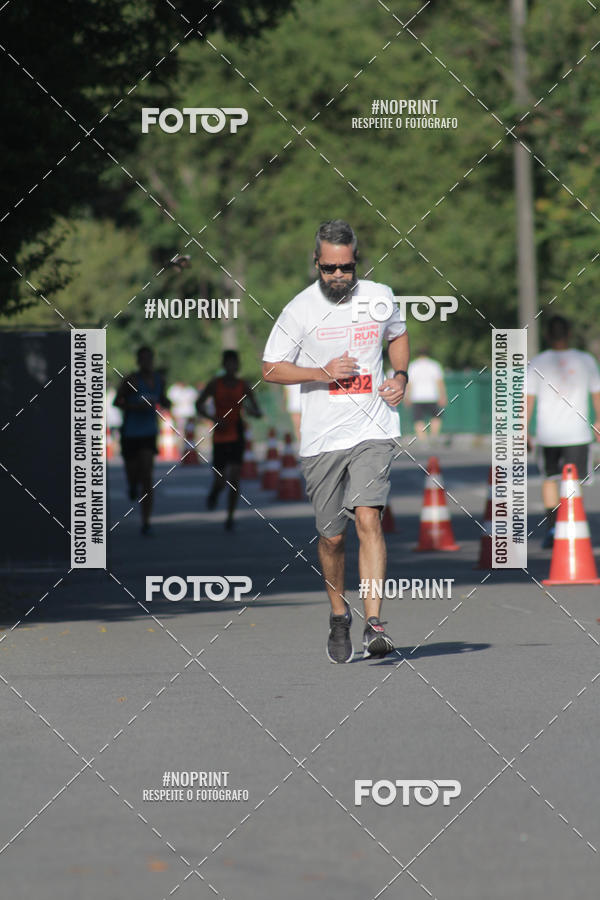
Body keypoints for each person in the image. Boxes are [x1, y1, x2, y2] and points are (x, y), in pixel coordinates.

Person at [262, 219, 409, 663]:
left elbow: (398, 337)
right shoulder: (299, 310)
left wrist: (400, 375)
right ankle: (338, 614)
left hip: (373, 428)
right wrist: (320, 372)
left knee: (369, 518)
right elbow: (271, 368)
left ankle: (375, 623)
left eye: (346, 267)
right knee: (332, 539)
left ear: (356, 262)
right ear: (317, 263)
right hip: (322, 438)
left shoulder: (380, 297)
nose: (338, 276)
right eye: (329, 268)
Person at [527, 315, 600, 547]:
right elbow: (597, 393)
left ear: (547, 335)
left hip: (547, 433)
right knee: (574, 480)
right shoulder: (586, 360)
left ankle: (551, 529)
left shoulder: (538, 361)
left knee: (549, 478)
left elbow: (527, 399)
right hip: (577, 432)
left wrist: (522, 429)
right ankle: (572, 525)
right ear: (569, 334)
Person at [196, 349, 263, 530]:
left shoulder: (243, 386)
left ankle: (230, 516)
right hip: (220, 435)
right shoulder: (215, 384)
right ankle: (214, 493)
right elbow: (199, 404)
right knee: (220, 479)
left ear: (238, 365)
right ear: (224, 365)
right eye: (229, 363)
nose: (232, 366)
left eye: (235, 363)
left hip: (237, 434)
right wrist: (213, 418)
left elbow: (258, 411)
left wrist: (251, 411)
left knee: (234, 478)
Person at [114, 346, 171, 535]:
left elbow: (163, 400)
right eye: (143, 359)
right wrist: (134, 405)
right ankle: (131, 485)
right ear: (138, 361)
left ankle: (146, 520)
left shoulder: (158, 380)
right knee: (133, 473)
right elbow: (118, 402)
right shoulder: (131, 380)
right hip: (130, 432)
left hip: (149, 432)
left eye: (150, 359)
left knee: (147, 475)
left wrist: (166, 403)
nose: (147, 362)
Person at [406, 347, 447, 441]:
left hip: (417, 396)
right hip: (432, 395)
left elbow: (410, 384)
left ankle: (423, 439)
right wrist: (443, 396)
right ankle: (434, 436)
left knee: (418, 419)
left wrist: (407, 397)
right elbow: (439, 382)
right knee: (436, 416)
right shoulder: (434, 365)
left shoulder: (413, 366)